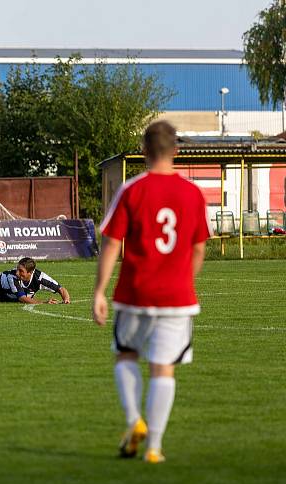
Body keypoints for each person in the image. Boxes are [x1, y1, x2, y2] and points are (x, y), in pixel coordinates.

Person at [93, 120, 210, 464]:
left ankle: (133, 421)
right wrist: (183, 279)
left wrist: (99, 291)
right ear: (176, 151)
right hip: (177, 298)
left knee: (126, 355)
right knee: (163, 369)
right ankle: (154, 448)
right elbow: (200, 248)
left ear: (144, 150)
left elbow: (112, 242)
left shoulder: (132, 189)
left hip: (135, 293)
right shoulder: (192, 193)